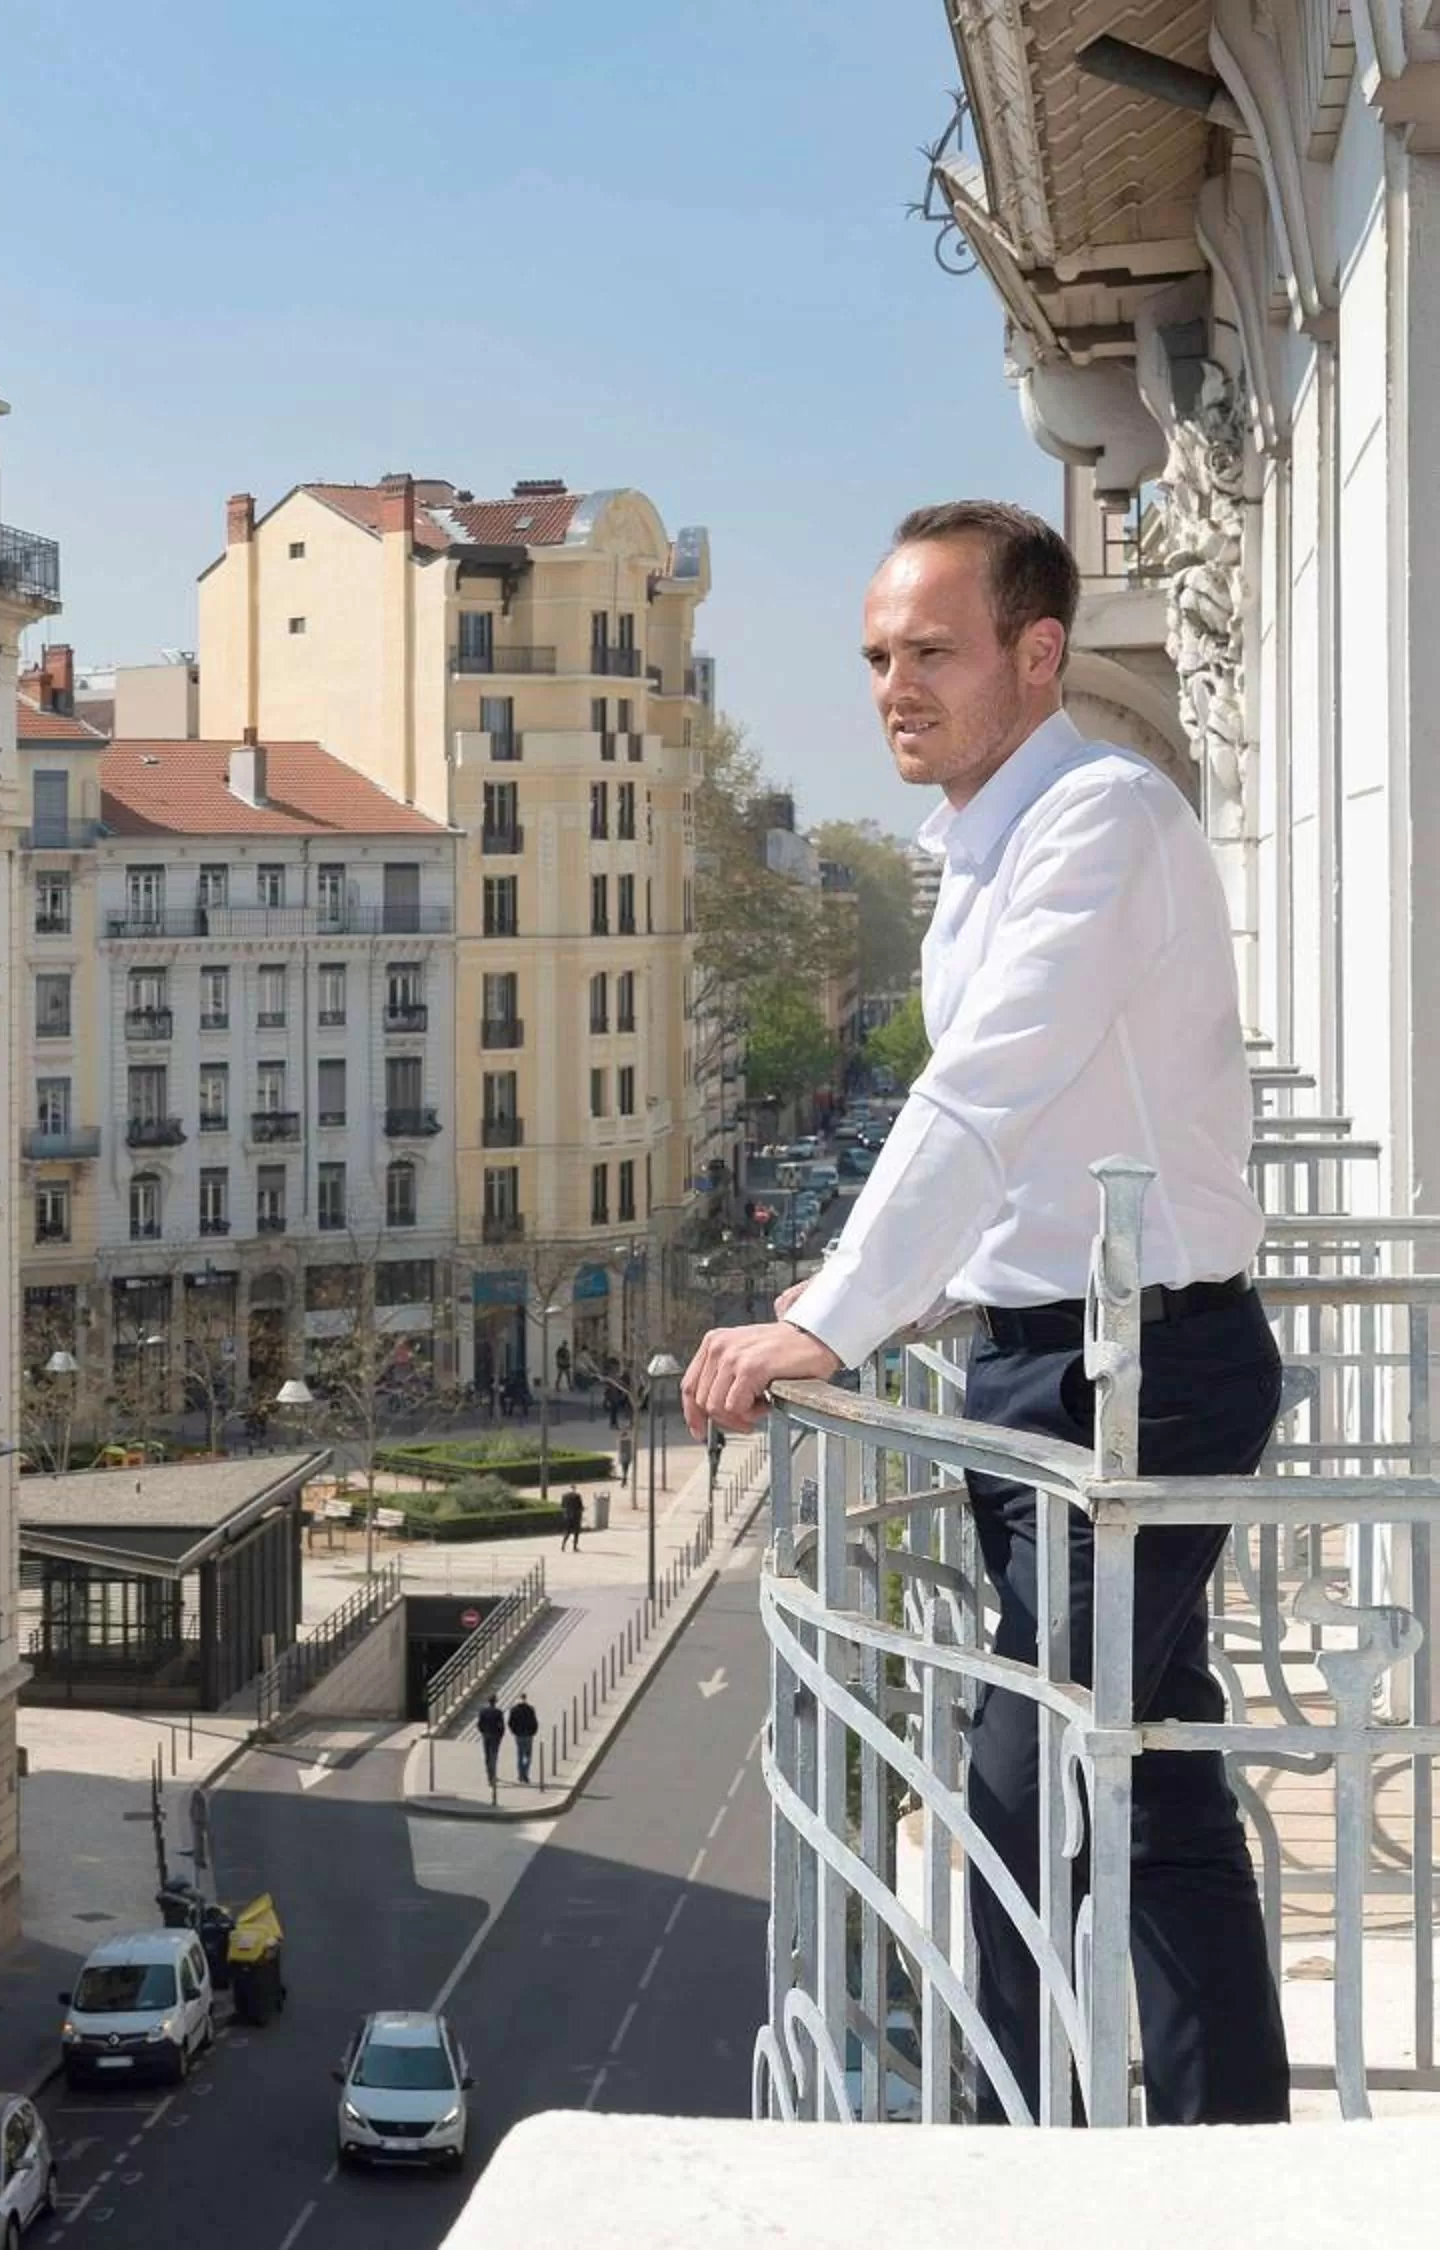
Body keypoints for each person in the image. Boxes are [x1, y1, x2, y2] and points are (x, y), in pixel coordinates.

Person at [678, 501, 1290, 2127]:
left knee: (1024, 1794)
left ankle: (1013, 2169)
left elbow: (982, 1093)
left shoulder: (1101, 819)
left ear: (1038, 652)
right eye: (879, 654)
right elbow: (1020, 1155)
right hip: (1045, 1363)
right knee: (1153, 1790)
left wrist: (833, 1320)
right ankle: (1233, 2156)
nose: (894, 684)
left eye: (932, 651)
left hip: (1145, 1369)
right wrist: (872, 1296)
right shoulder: (983, 846)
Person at [506, 1693, 540, 1787]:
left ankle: (521, 1775)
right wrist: (533, 1732)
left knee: (520, 1755)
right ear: (525, 1699)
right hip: (528, 1735)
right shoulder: (530, 1709)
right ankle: (525, 1773)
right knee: (528, 1756)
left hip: (519, 1735)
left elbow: (510, 1723)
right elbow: (534, 1722)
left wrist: (514, 1732)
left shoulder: (514, 1710)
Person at [474, 1695, 507, 1790]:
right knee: (494, 1756)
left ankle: (489, 1775)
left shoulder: (482, 1712)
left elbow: (479, 1724)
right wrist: (501, 1735)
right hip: (495, 1736)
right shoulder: (498, 1712)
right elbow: (501, 1726)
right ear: (495, 1702)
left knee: (487, 1755)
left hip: (486, 1735)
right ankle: (492, 1776)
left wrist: (483, 1732)